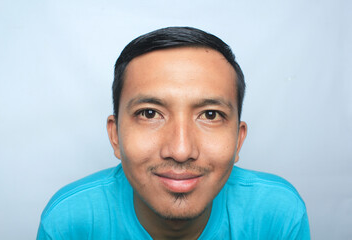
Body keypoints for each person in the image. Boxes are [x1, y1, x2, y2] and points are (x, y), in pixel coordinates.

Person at [37, 27, 310, 239]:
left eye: (210, 115)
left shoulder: (279, 215)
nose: (181, 150)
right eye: (150, 113)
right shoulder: (68, 222)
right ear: (115, 135)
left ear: (238, 140)